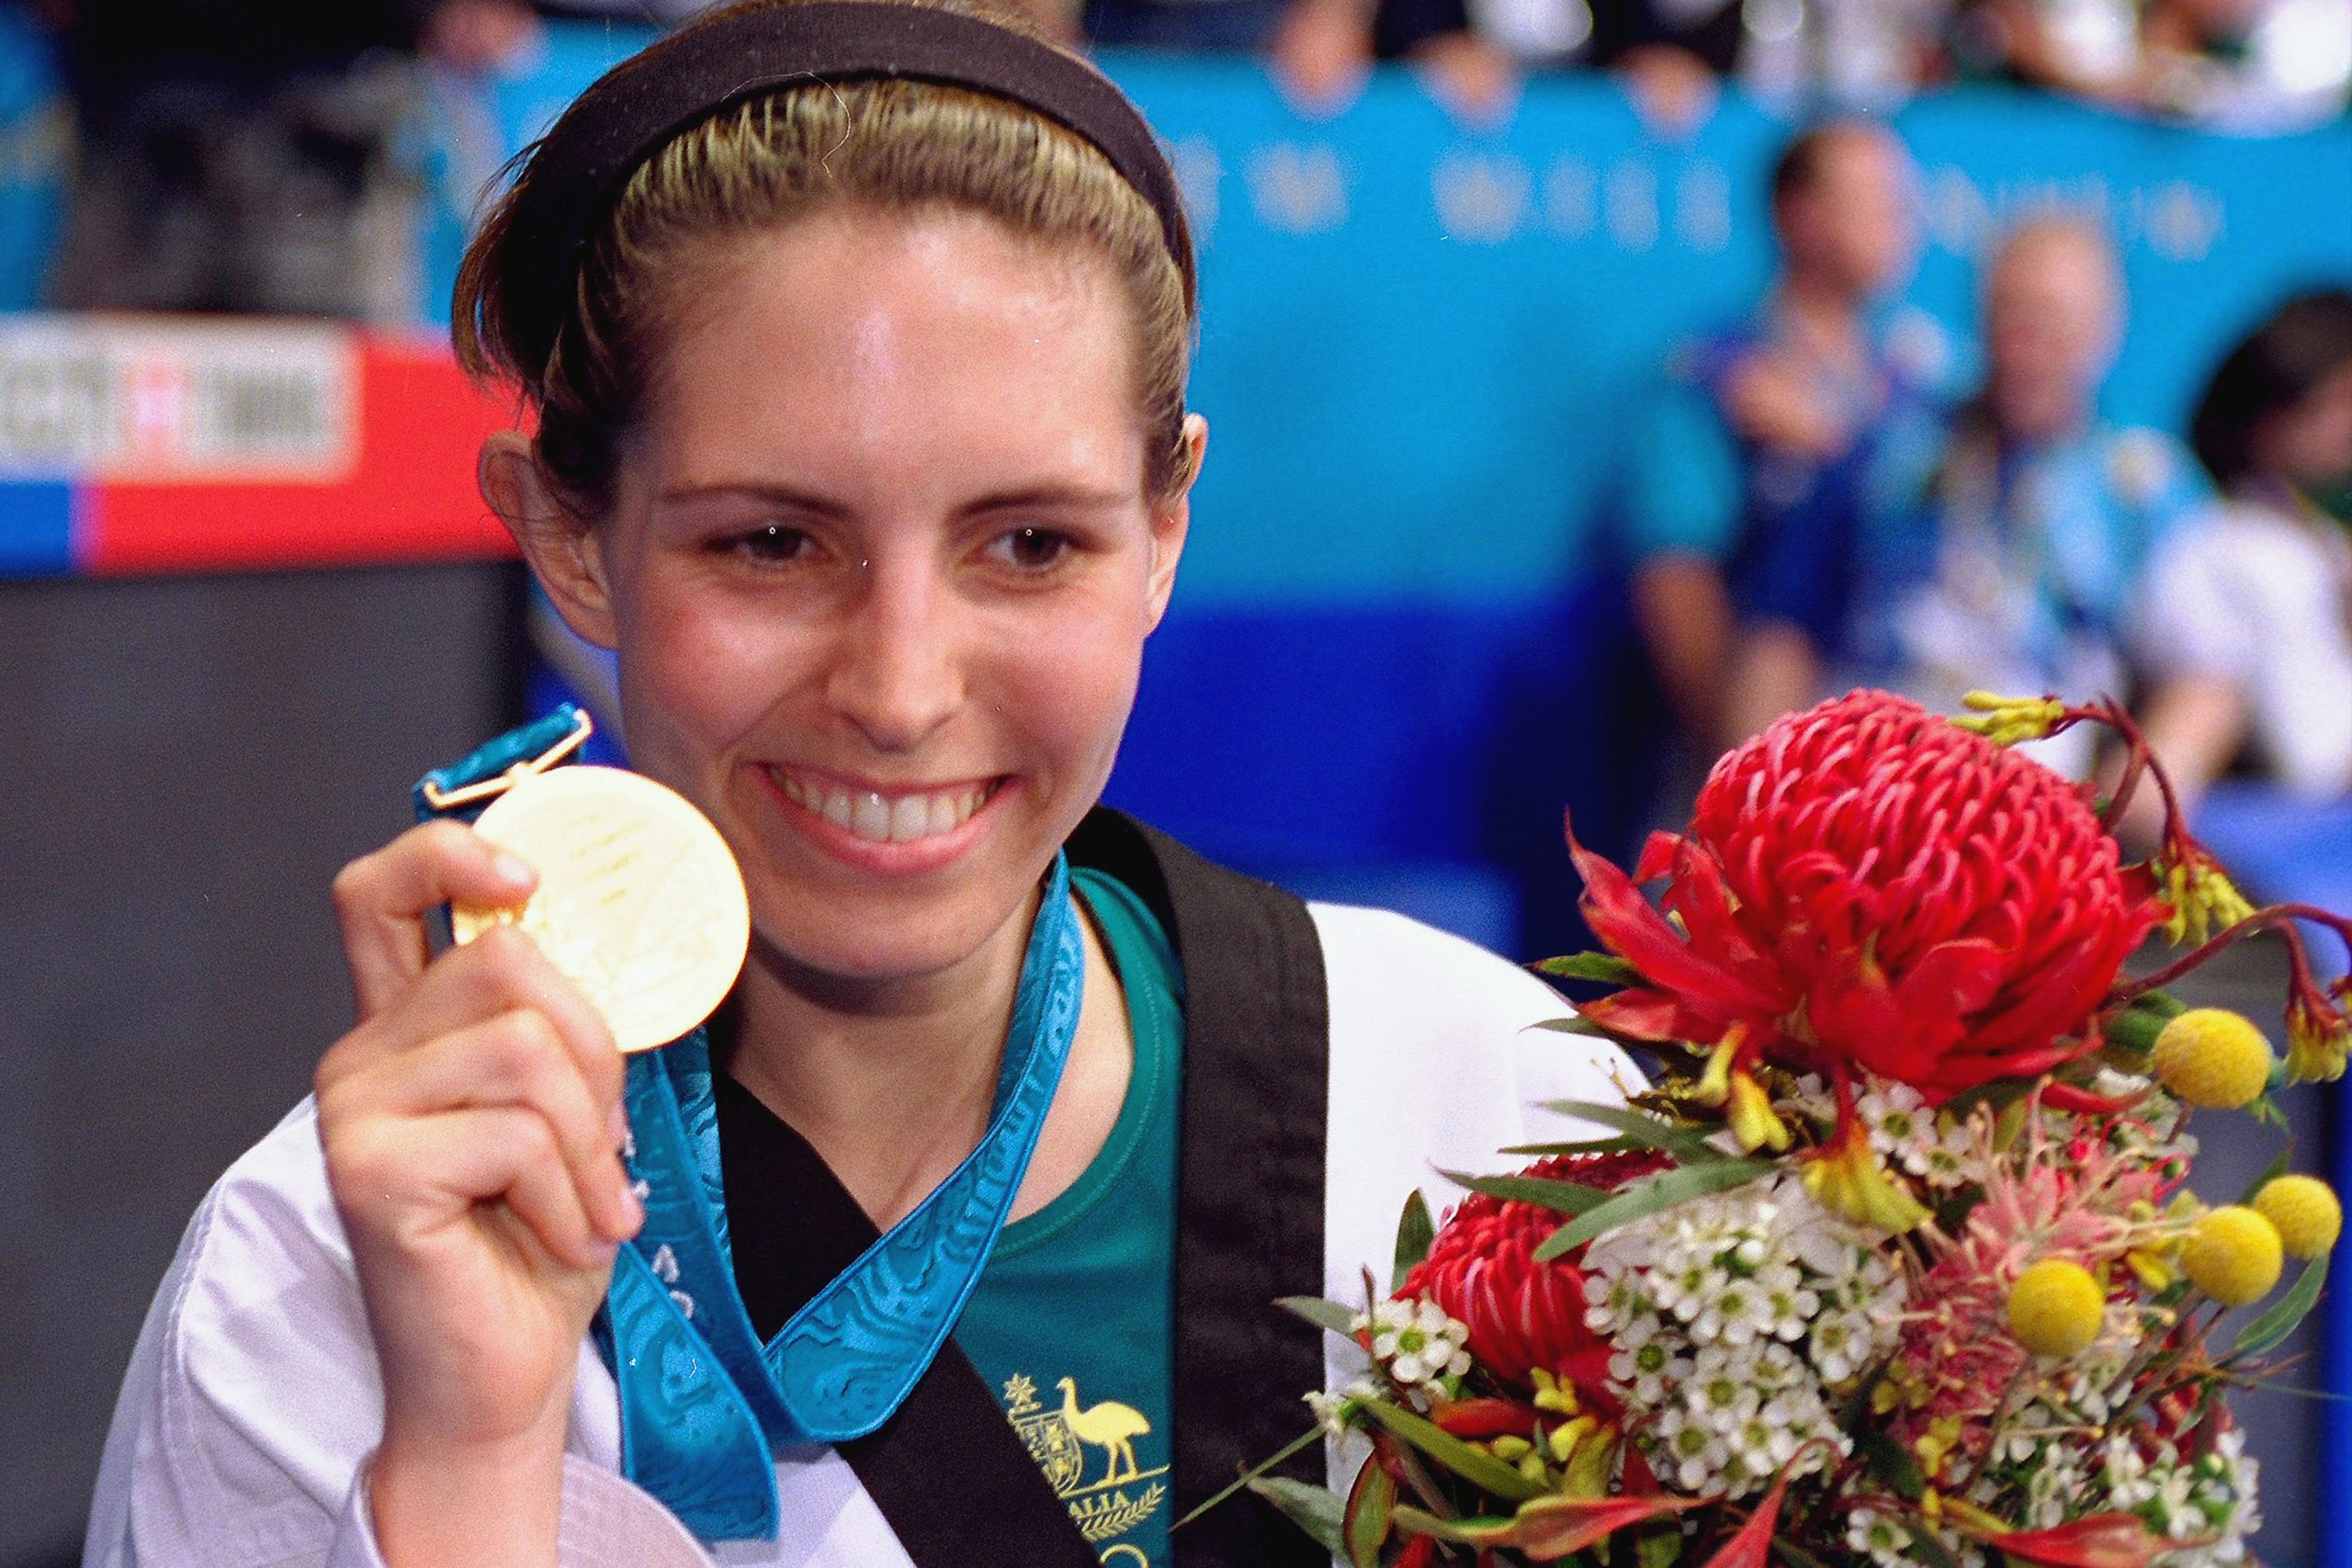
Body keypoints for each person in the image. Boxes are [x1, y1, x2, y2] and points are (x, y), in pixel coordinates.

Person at [82, 4, 1635, 1565]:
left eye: (1031, 544)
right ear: (569, 537)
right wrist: (475, 1463)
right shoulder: (319, 1289)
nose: (900, 693)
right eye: (770, 543)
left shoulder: (1495, 1108)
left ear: (1165, 529)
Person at [1762, 217, 2207, 780]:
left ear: (2105, 331)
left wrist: (2145, 785)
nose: (2026, 342)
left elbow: (2205, 674)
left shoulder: (2144, 488)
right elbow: (1782, 630)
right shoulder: (1884, 455)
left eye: (2053, 321)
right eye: (2009, 312)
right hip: (1866, 770)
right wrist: (1763, 781)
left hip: (2041, 790)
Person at [1623, 118, 1939, 756]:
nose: (1901, 225)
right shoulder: (1714, 377)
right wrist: (1746, 764)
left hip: (1906, 734)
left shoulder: (1926, 373)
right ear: (1802, 217)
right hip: (1765, 737)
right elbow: (1677, 577)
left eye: (1903, 205)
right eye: (1876, 204)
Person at [2132, 289, 2352, 820]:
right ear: (2273, 419)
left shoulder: (2319, 540)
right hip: (2281, 860)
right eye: (2340, 402)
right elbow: (2311, 757)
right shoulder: (2219, 544)